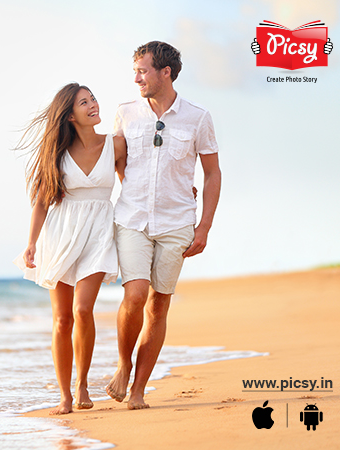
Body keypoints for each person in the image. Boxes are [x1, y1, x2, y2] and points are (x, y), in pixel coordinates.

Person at [104, 41, 222, 410]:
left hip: (177, 223)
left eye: (143, 70)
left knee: (158, 306)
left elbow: (212, 173)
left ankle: (138, 389)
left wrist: (203, 227)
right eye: (135, 70)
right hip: (132, 218)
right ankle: (124, 364)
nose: (136, 77)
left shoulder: (198, 118)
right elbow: (117, 161)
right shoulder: (126, 113)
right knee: (135, 295)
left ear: (165, 72)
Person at [14, 82, 127, 415]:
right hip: (61, 234)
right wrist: (32, 242)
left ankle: (82, 384)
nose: (93, 104)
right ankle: (65, 395)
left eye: (93, 98)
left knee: (81, 310)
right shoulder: (56, 153)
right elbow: (40, 202)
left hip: (98, 232)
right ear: (70, 115)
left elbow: (133, 186)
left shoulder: (115, 145)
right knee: (63, 319)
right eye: (84, 102)